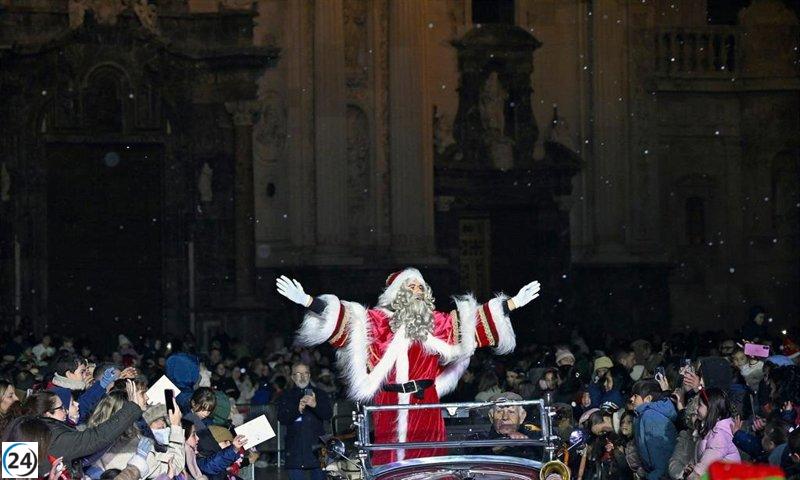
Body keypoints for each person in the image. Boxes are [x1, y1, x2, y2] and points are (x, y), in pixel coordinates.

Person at [276, 268, 541, 465]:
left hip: (425, 402)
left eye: (420, 287)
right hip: (388, 402)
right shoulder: (378, 321)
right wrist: (308, 301)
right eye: (411, 286)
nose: (417, 291)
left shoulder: (436, 323)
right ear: (397, 294)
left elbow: (472, 325)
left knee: (428, 461)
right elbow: (345, 321)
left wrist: (512, 304)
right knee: (390, 461)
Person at [29, 380, 147, 477]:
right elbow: (97, 438)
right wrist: (132, 408)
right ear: (48, 414)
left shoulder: (42, 430)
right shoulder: (54, 436)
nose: (65, 410)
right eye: (61, 408)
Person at [276, 362, 333, 480]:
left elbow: (328, 415)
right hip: (294, 450)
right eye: (298, 373)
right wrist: (297, 409)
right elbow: (282, 418)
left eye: (305, 373)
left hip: (317, 449)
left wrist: (315, 405)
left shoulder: (320, 394)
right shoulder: (286, 396)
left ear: (310, 375)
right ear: (292, 377)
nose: (302, 377)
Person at [685, 387, 740, 480]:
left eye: (700, 405)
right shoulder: (709, 431)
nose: (696, 409)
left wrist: (695, 474)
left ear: (711, 409)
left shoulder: (719, 435)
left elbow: (707, 462)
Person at [630, 379, 677, 480]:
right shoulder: (641, 415)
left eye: (635, 396)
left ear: (648, 399)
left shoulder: (651, 416)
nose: (631, 399)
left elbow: (661, 455)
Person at [470, 391, 541, 457]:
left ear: (522, 416)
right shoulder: (481, 438)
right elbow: (472, 457)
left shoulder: (533, 435)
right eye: (499, 411)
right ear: (491, 417)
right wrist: (499, 445)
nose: (505, 417)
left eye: (511, 412)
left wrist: (526, 441)